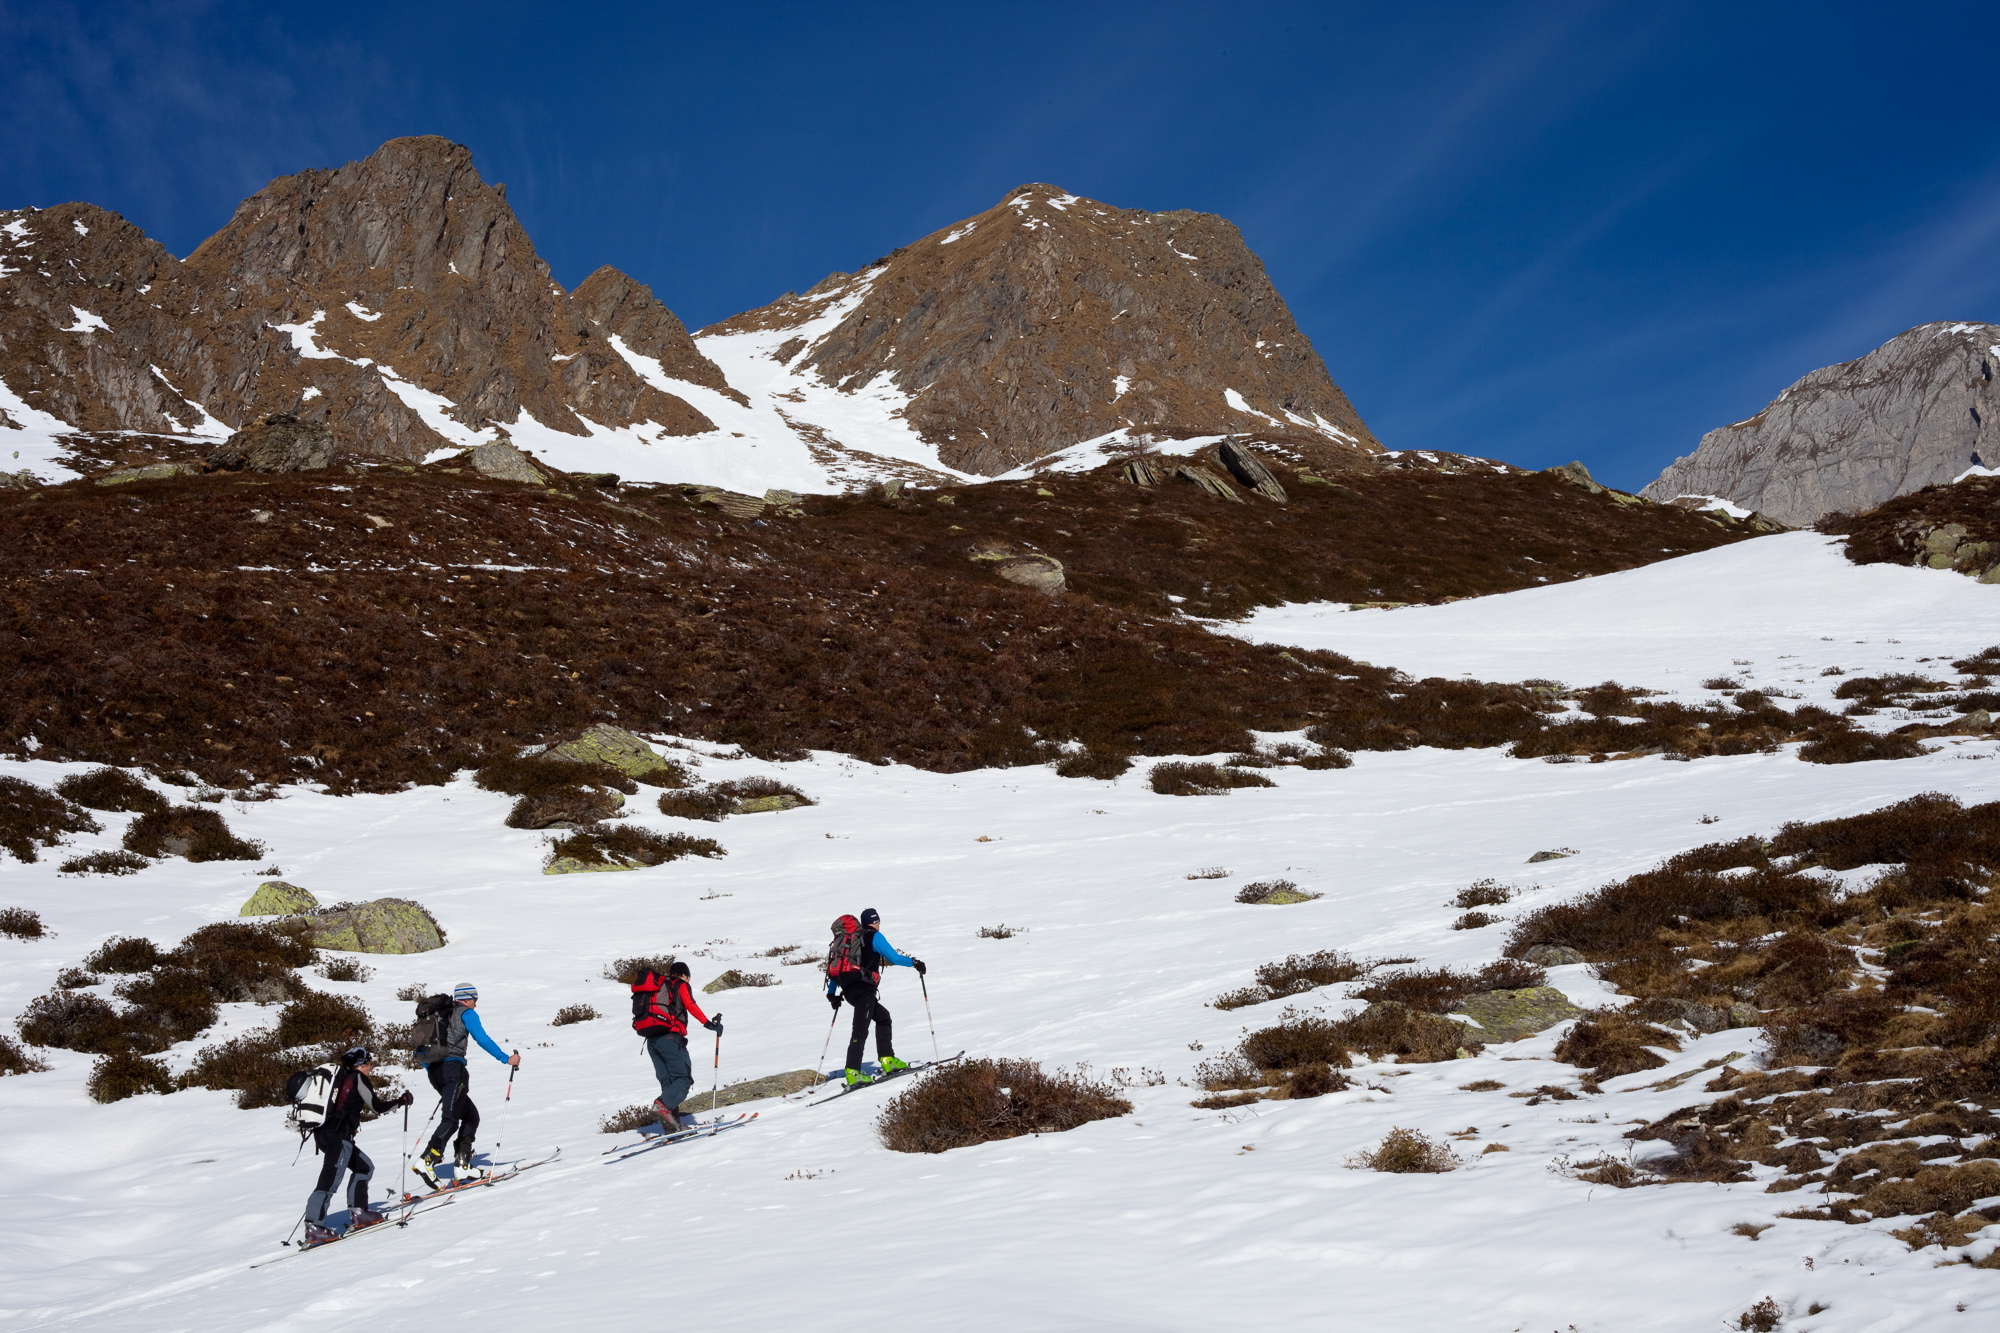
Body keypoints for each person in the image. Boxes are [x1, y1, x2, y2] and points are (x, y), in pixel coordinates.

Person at [303, 1046, 412, 1244]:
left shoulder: (339, 1078)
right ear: (362, 1064)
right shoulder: (356, 1078)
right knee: (329, 1180)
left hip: (324, 1135)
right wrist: (401, 1101)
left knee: (364, 1166)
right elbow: (376, 1106)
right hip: (339, 1136)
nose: (371, 1068)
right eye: (369, 1064)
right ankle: (314, 1226)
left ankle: (359, 1211)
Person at [413, 982, 517, 1189]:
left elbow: (423, 1050)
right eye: (475, 1000)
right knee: (451, 1120)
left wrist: (434, 1073)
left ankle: (462, 1165)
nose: (476, 1004)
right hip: (454, 1071)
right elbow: (482, 1039)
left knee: (470, 1116)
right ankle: (427, 1160)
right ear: (467, 998)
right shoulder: (466, 1014)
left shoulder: (438, 1016)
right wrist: (506, 1059)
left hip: (436, 1073)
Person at [825, 908, 926, 1086]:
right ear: (876, 922)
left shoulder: (852, 939)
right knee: (860, 1029)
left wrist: (832, 994)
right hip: (864, 991)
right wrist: (914, 963)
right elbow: (893, 958)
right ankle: (853, 1071)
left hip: (850, 992)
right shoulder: (874, 936)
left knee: (883, 1017)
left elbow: (839, 967)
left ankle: (888, 1059)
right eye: (878, 921)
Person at [631, 961, 722, 1131]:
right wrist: (709, 1024)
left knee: (668, 1082)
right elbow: (690, 1004)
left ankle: (672, 1125)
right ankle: (662, 1106)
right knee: (683, 1079)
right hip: (670, 1038)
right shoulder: (680, 984)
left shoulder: (659, 986)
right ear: (685, 975)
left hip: (652, 1041)